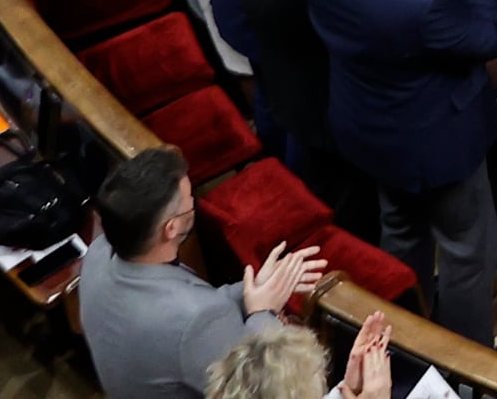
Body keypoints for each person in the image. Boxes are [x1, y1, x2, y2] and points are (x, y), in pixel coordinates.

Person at [307, 0, 497, 338]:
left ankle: (411, 341)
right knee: (468, 256)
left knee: (402, 233)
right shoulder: (422, 5)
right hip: (437, 148)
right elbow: (484, 37)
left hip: (372, 134)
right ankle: (468, 373)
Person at [80, 148, 319, 399]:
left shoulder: (98, 252)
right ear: (170, 228)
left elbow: (196, 305)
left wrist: (254, 288)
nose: (194, 202)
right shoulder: (197, 321)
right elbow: (255, 387)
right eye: (189, 199)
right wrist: (264, 312)